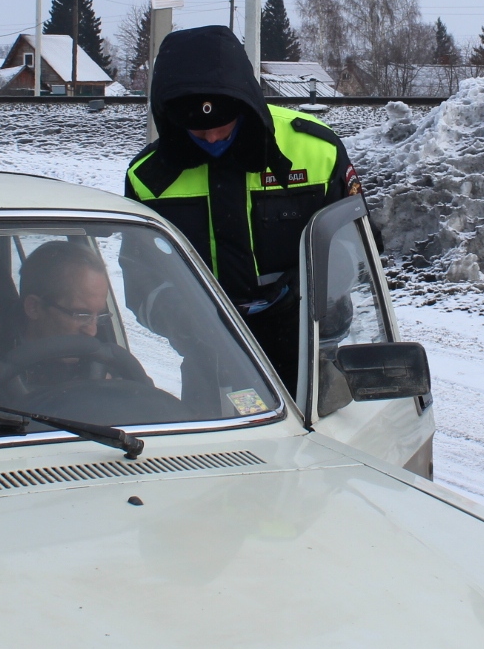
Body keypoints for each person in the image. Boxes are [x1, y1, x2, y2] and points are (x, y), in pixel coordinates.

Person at [124, 24, 364, 387]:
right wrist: (180, 318)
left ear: (246, 102)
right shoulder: (149, 178)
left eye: (223, 125)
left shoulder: (316, 149)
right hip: (211, 356)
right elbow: (140, 276)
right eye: (198, 131)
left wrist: (310, 291)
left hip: (314, 347)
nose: (213, 138)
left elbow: (358, 241)